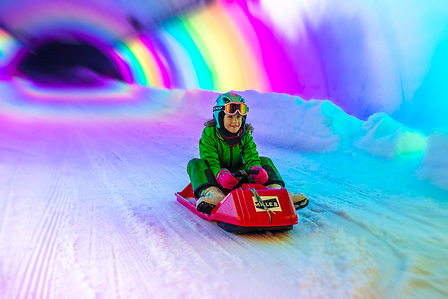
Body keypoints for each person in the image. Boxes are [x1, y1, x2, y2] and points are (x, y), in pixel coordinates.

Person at [187, 92, 308, 214]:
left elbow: (251, 156)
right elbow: (210, 160)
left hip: (237, 176)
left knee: (265, 161)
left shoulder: (245, 135)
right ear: (219, 117)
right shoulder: (209, 134)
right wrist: (220, 175)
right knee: (195, 164)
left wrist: (256, 168)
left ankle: (276, 192)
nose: (235, 122)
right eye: (230, 117)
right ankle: (213, 195)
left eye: (239, 117)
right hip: (216, 177)